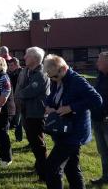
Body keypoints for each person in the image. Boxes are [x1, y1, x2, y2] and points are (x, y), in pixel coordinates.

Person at [43, 54, 102, 189]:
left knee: (52, 167)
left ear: (63, 69)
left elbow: (97, 100)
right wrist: (48, 106)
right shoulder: (56, 78)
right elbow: (51, 96)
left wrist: (71, 107)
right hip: (62, 130)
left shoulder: (77, 81)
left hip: (74, 132)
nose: (52, 79)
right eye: (50, 77)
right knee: (71, 168)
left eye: (54, 76)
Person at [15, 47, 50, 181]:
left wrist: (18, 95)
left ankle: (44, 173)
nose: (24, 58)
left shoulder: (41, 73)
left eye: (27, 55)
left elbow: (29, 91)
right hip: (28, 112)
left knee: (38, 143)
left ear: (35, 58)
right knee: (35, 142)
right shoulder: (28, 71)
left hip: (36, 113)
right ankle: (40, 166)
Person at [91, 51, 108, 185]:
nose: (97, 62)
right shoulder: (101, 75)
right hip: (97, 119)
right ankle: (106, 177)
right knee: (103, 151)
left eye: (99, 60)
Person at [8, 57, 24, 142]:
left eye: (11, 65)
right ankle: (18, 137)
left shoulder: (21, 73)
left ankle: (19, 137)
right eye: (9, 65)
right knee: (17, 119)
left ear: (17, 65)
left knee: (19, 119)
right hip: (12, 98)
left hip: (19, 98)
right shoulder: (10, 73)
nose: (10, 67)